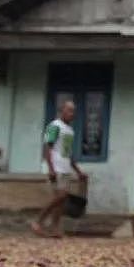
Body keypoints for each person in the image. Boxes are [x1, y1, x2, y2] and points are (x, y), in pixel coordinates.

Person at [32, 100, 87, 238]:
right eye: (69, 110)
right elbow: (47, 148)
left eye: (73, 111)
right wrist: (51, 168)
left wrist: (78, 171)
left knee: (62, 200)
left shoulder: (70, 130)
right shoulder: (54, 126)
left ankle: (55, 227)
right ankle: (38, 221)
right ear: (61, 111)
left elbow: (68, 153)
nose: (71, 114)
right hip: (55, 167)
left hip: (65, 167)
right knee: (61, 196)